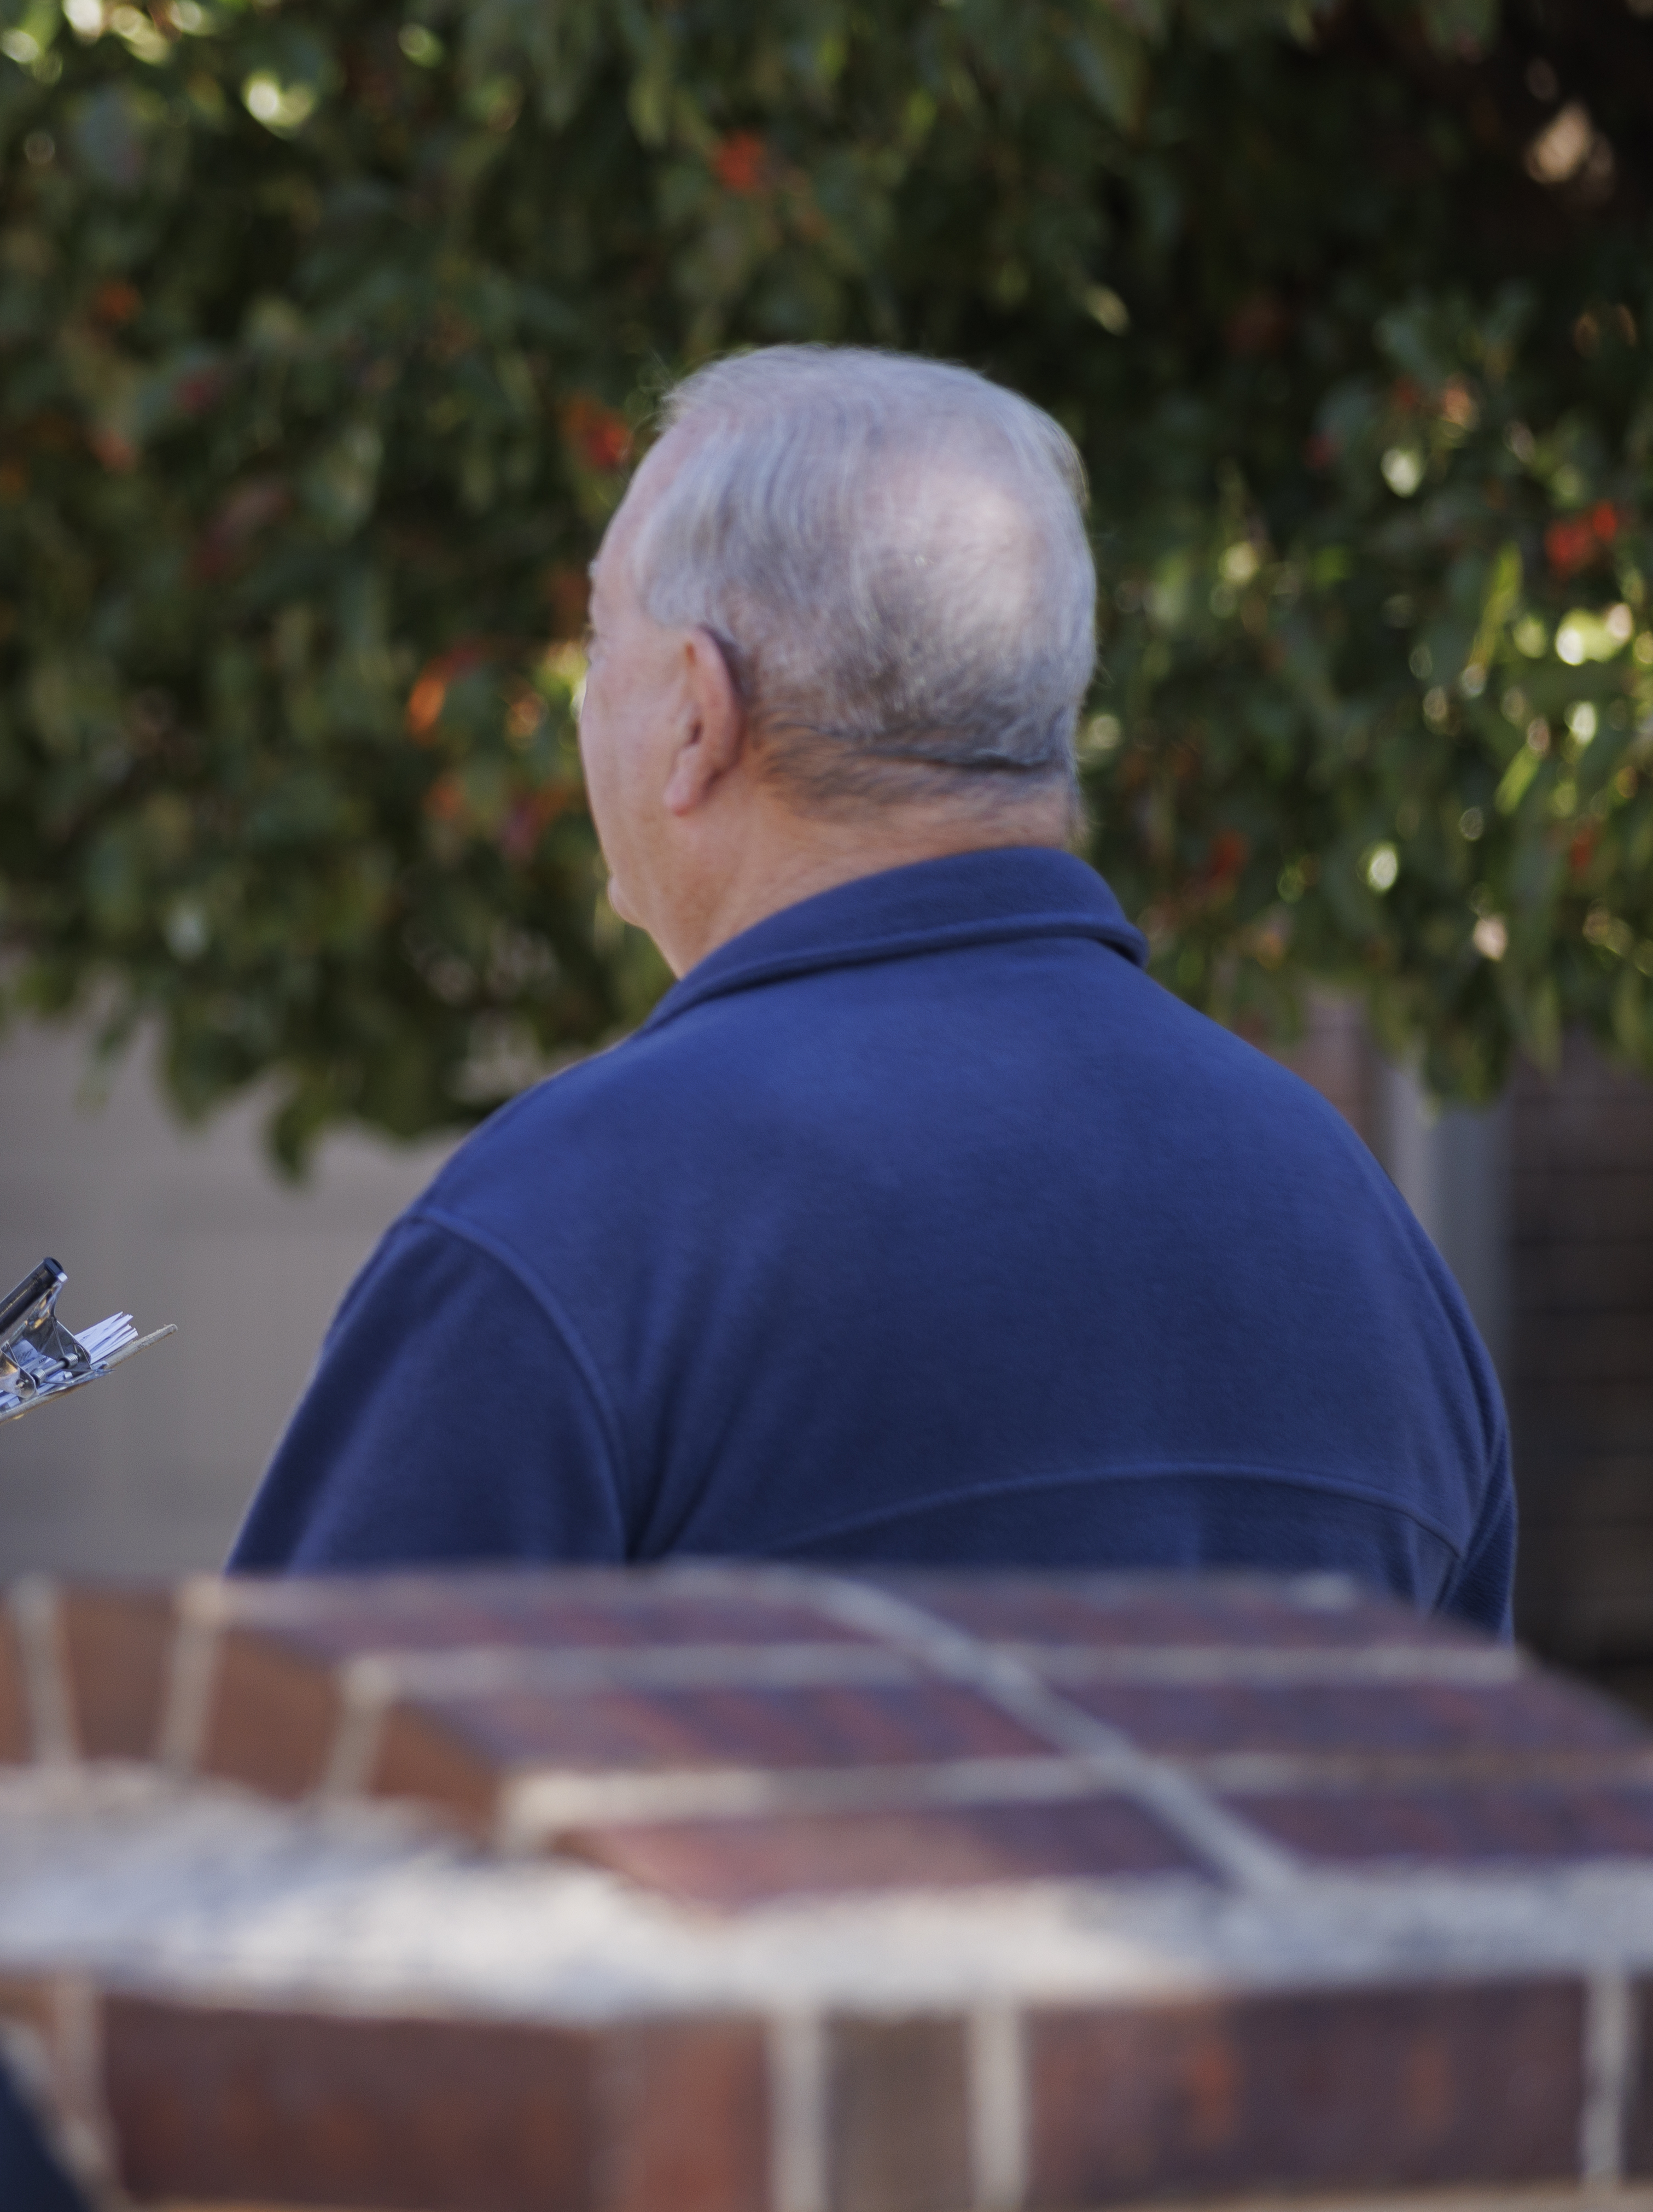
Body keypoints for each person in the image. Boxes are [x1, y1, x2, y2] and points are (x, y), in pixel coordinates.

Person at [231, 345, 1514, 1624]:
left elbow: (287, 1804)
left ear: (696, 710)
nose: (579, 697)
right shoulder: (1359, 1237)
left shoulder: (576, 1229)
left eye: (598, 634)